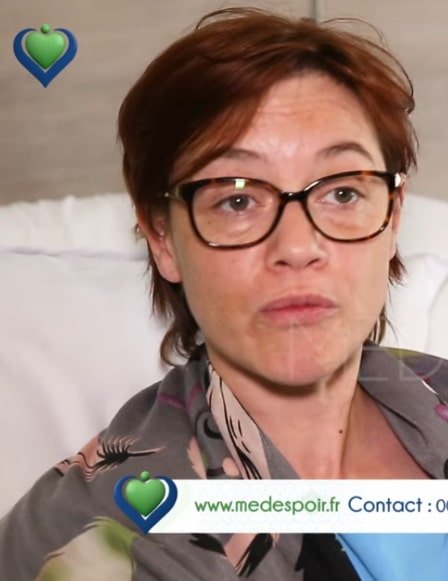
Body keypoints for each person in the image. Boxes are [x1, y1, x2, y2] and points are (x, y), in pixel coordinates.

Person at [1, 7, 447, 580]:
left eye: (341, 192)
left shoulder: (432, 390)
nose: (297, 246)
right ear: (162, 237)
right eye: (237, 200)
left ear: (392, 217)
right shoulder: (97, 536)